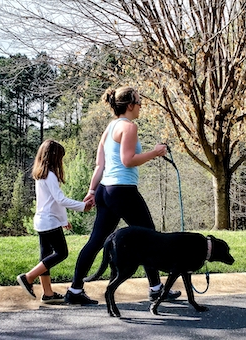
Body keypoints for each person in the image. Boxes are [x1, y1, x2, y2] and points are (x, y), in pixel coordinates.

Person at [65, 86, 181, 305]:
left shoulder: (109, 128)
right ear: (129, 105)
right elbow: (128, 160)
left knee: (95, 241)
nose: (140, 106)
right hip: (123, 191)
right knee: (149, 238)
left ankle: (75, 290)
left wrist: (92, 191)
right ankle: (156, 289)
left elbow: (100, 164)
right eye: (139, 102)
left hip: (105, 191)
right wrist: (155, 153)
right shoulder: (129, 127)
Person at [17, 139, 93, 303]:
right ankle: (28, 277)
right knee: (61, 253)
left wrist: (63, 220)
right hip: (49, 222)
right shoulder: (50, 175)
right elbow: (60, 199)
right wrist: (82, 206)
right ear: (53, 157)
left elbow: (50, 202)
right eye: (60, 157)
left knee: (45, 256)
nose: (61, 161)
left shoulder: (40, 174)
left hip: (42, 221)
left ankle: (48, 293)